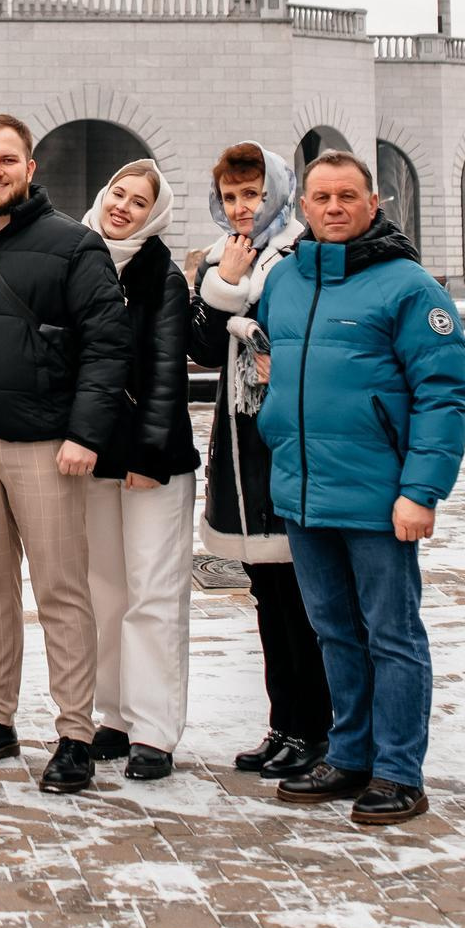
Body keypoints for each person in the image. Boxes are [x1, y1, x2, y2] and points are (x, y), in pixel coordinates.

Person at [258, 151, 465, 826]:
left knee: (392, 634)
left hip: (381, 498)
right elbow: (270, 366)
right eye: (320, 197)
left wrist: (423, 491)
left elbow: (444, 395)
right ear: (305, 207)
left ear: (372, 203)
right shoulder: (286, 280)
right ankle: (349, 753)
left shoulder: (409, 287)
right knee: (333, 632)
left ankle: (399, 771)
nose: (333, 207)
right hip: (303, 492)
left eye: (347, 196)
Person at [0, 114, 132, 794]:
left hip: (48, 445)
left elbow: (109, 347)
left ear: (29, 167)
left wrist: (85, 433)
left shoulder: (75, 246)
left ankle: (74, 731)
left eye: (6, 160)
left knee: (61, 591)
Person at [188, 142, 332, 779]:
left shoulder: (300, 254)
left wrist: (255, 331)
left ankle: (316, 728)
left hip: (287, 434)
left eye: (252, 194)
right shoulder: (222, 258)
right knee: (267, 591)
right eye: (231, 197)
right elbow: (198, 345)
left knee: (304, 595)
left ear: (277, 192)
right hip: (241, 440)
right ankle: (284, 723)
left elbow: (306, 334)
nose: (242, 208)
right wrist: (224, 286)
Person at [81, 160, 197, 782]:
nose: (123, 206)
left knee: (153, 590)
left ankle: (154, 729)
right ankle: (114, 716)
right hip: (94, 455)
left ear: (156, 215)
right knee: (106, 590)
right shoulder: (79, 260)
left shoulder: (162, 278)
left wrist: (148, 456)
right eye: (117, 193)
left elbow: (164, 375)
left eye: (139, 201)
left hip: (152, 460)